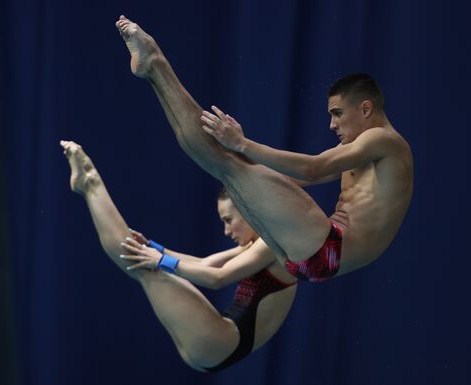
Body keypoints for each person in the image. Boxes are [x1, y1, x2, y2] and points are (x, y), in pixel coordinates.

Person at [114, 16, 413, 282]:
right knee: (227, 165)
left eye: (337, 113)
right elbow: (308, 177)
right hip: (312, 256)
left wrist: (243, 145)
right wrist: (252, 178)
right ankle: (153, 71)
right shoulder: (366, 150)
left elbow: (314, 167)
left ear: (365, 108)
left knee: (228, 160)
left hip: (328, 247)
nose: (332, 126)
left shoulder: (383, 140)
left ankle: (155, 63)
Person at [60, 140, 297, 372]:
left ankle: (91, 184)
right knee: (142, 260)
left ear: (246, 209)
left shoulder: (271, 242)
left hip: (222, 340)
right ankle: (90, 186)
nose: (226, 231)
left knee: (140, 263)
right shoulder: (258, 245)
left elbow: (218, 278)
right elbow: (205, 264)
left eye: (228, 220)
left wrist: (162, 261)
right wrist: (158, 249)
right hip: (218, 343)